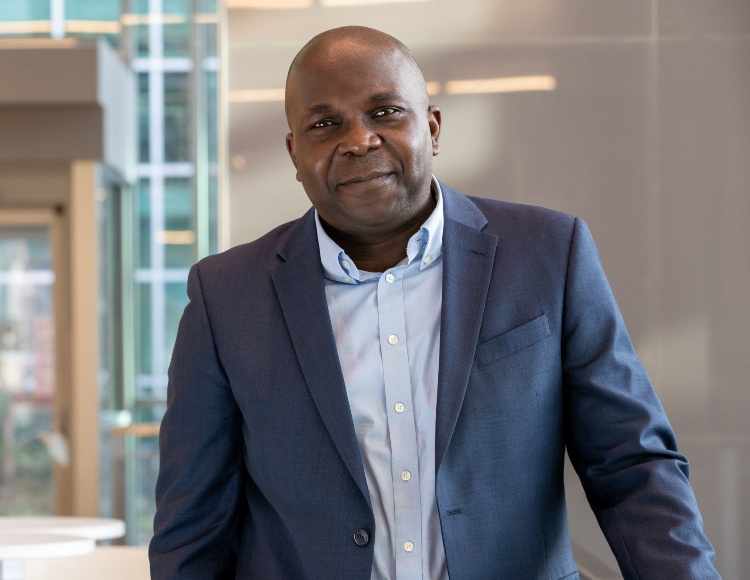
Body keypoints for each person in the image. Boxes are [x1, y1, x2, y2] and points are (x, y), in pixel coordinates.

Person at [149, 26, 720, 580]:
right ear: (296, 154)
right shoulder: (224, 295)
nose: (358, 139)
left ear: (433, 127)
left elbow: (630, 464)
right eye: (325, 124)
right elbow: (193, 524)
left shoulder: (549, 254)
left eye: (385, 112)